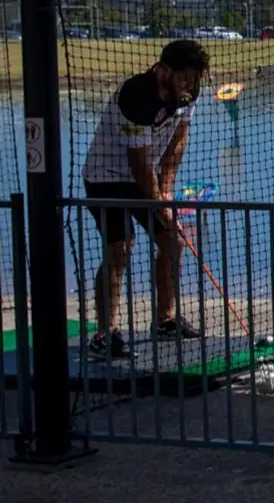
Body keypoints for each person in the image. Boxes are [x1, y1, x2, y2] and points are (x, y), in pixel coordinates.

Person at [82, 40, 209, 360]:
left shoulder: (189, 93)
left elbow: (179, 139)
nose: (190, 84)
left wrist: (166, 188)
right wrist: (160, 204)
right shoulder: (135, 95)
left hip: (146, 177)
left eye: (195, 77)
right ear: (163, 70)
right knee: (120, 246)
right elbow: (138, 162)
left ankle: (165, 320)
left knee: (173, 242)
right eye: (184, 76)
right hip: (106, 178)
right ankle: (104, 334)